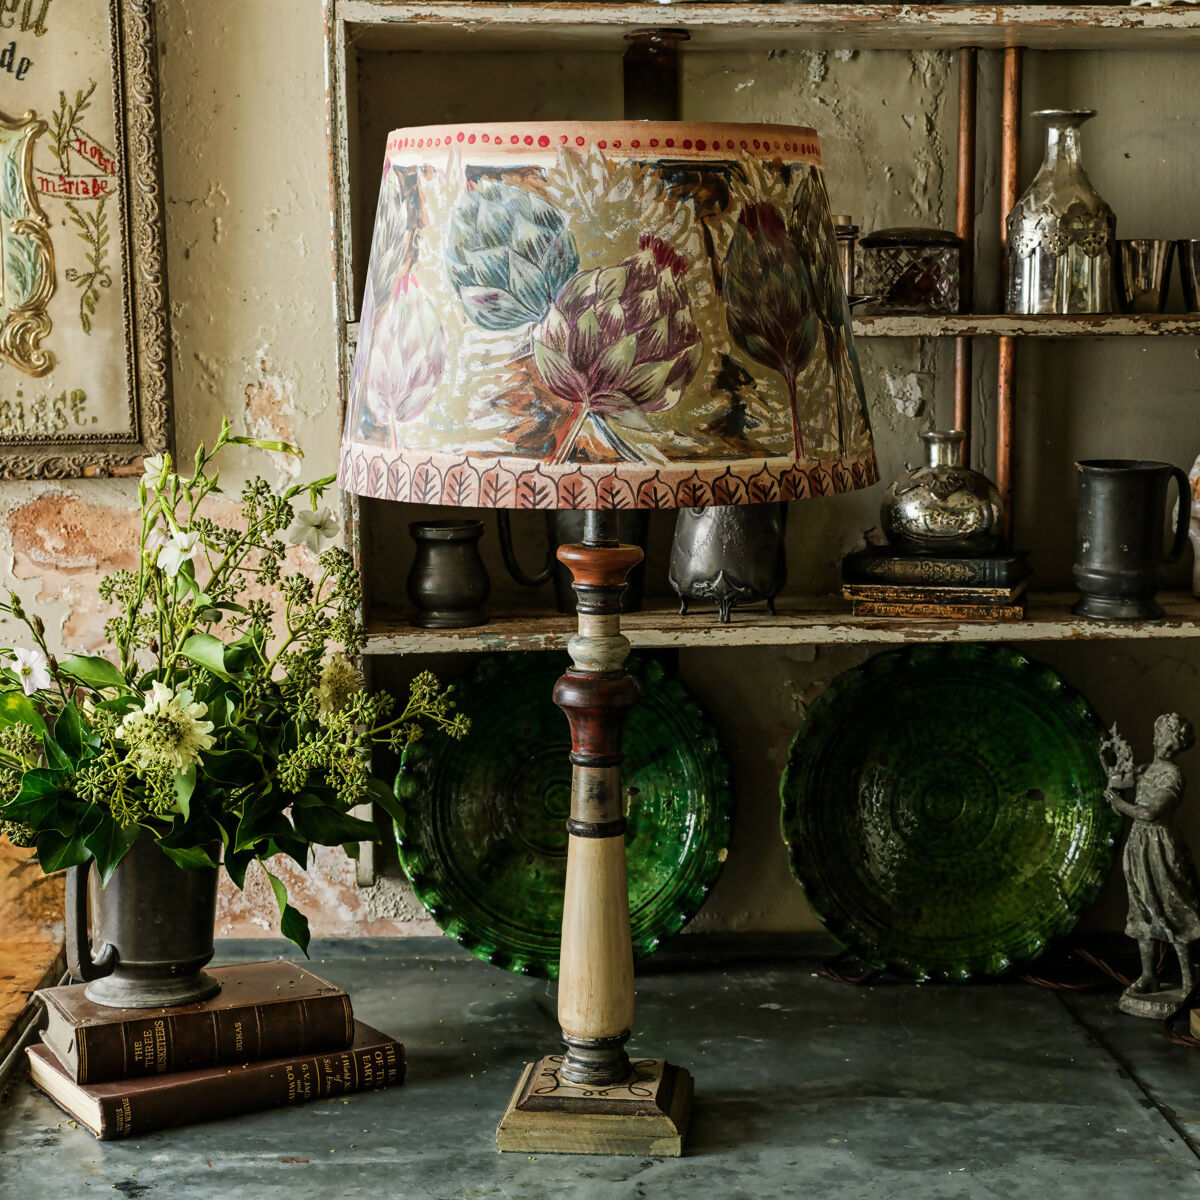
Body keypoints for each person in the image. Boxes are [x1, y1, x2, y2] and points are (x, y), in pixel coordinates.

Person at [1102, 713, 1200, 1009]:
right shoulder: (1146, 768)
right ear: (1155, 737)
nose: (1164, 749)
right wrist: (1109, 760)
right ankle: (1148, 975)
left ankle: (1188, 982)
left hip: (1160, 846)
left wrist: (1119, 804)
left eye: (1171, 747)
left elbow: (1150, 813)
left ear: (1178, 749)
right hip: (1138, 846)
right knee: (1142, 908)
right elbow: (1117, 780)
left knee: (1172, 907)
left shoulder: (1173, 776)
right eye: (1161, 741)